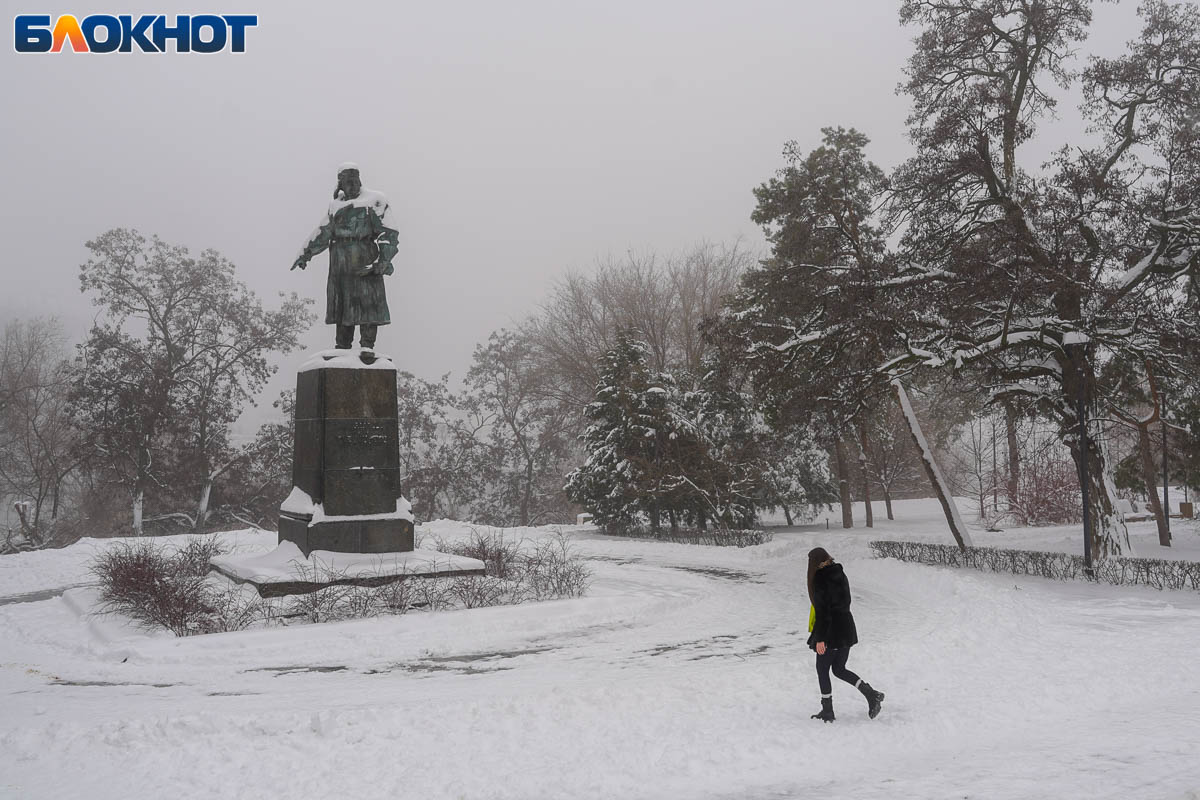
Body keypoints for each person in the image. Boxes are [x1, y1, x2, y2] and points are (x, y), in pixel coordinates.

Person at [292, 163, 399, 356]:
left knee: (368, 304)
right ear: (340, 185)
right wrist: (305, 254)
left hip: (365, 258)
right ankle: (342, 347)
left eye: (355, 181)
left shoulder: (375, 201)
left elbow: (388, 233)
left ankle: (367, 345)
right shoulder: (336, 206)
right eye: (348, 182)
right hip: (340, 263)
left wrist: (383, 259)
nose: (353, 186)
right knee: (342, 304)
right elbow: (323, 233)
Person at [806, 547, 884, 722]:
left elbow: (824, 612)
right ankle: (872, 694)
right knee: (839, 669)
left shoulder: (820, 578)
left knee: (822, 669)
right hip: (846, 628)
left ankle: (828, 711)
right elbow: (846, 601)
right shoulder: (839, 573)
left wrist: (821, 639)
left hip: (831, 633)